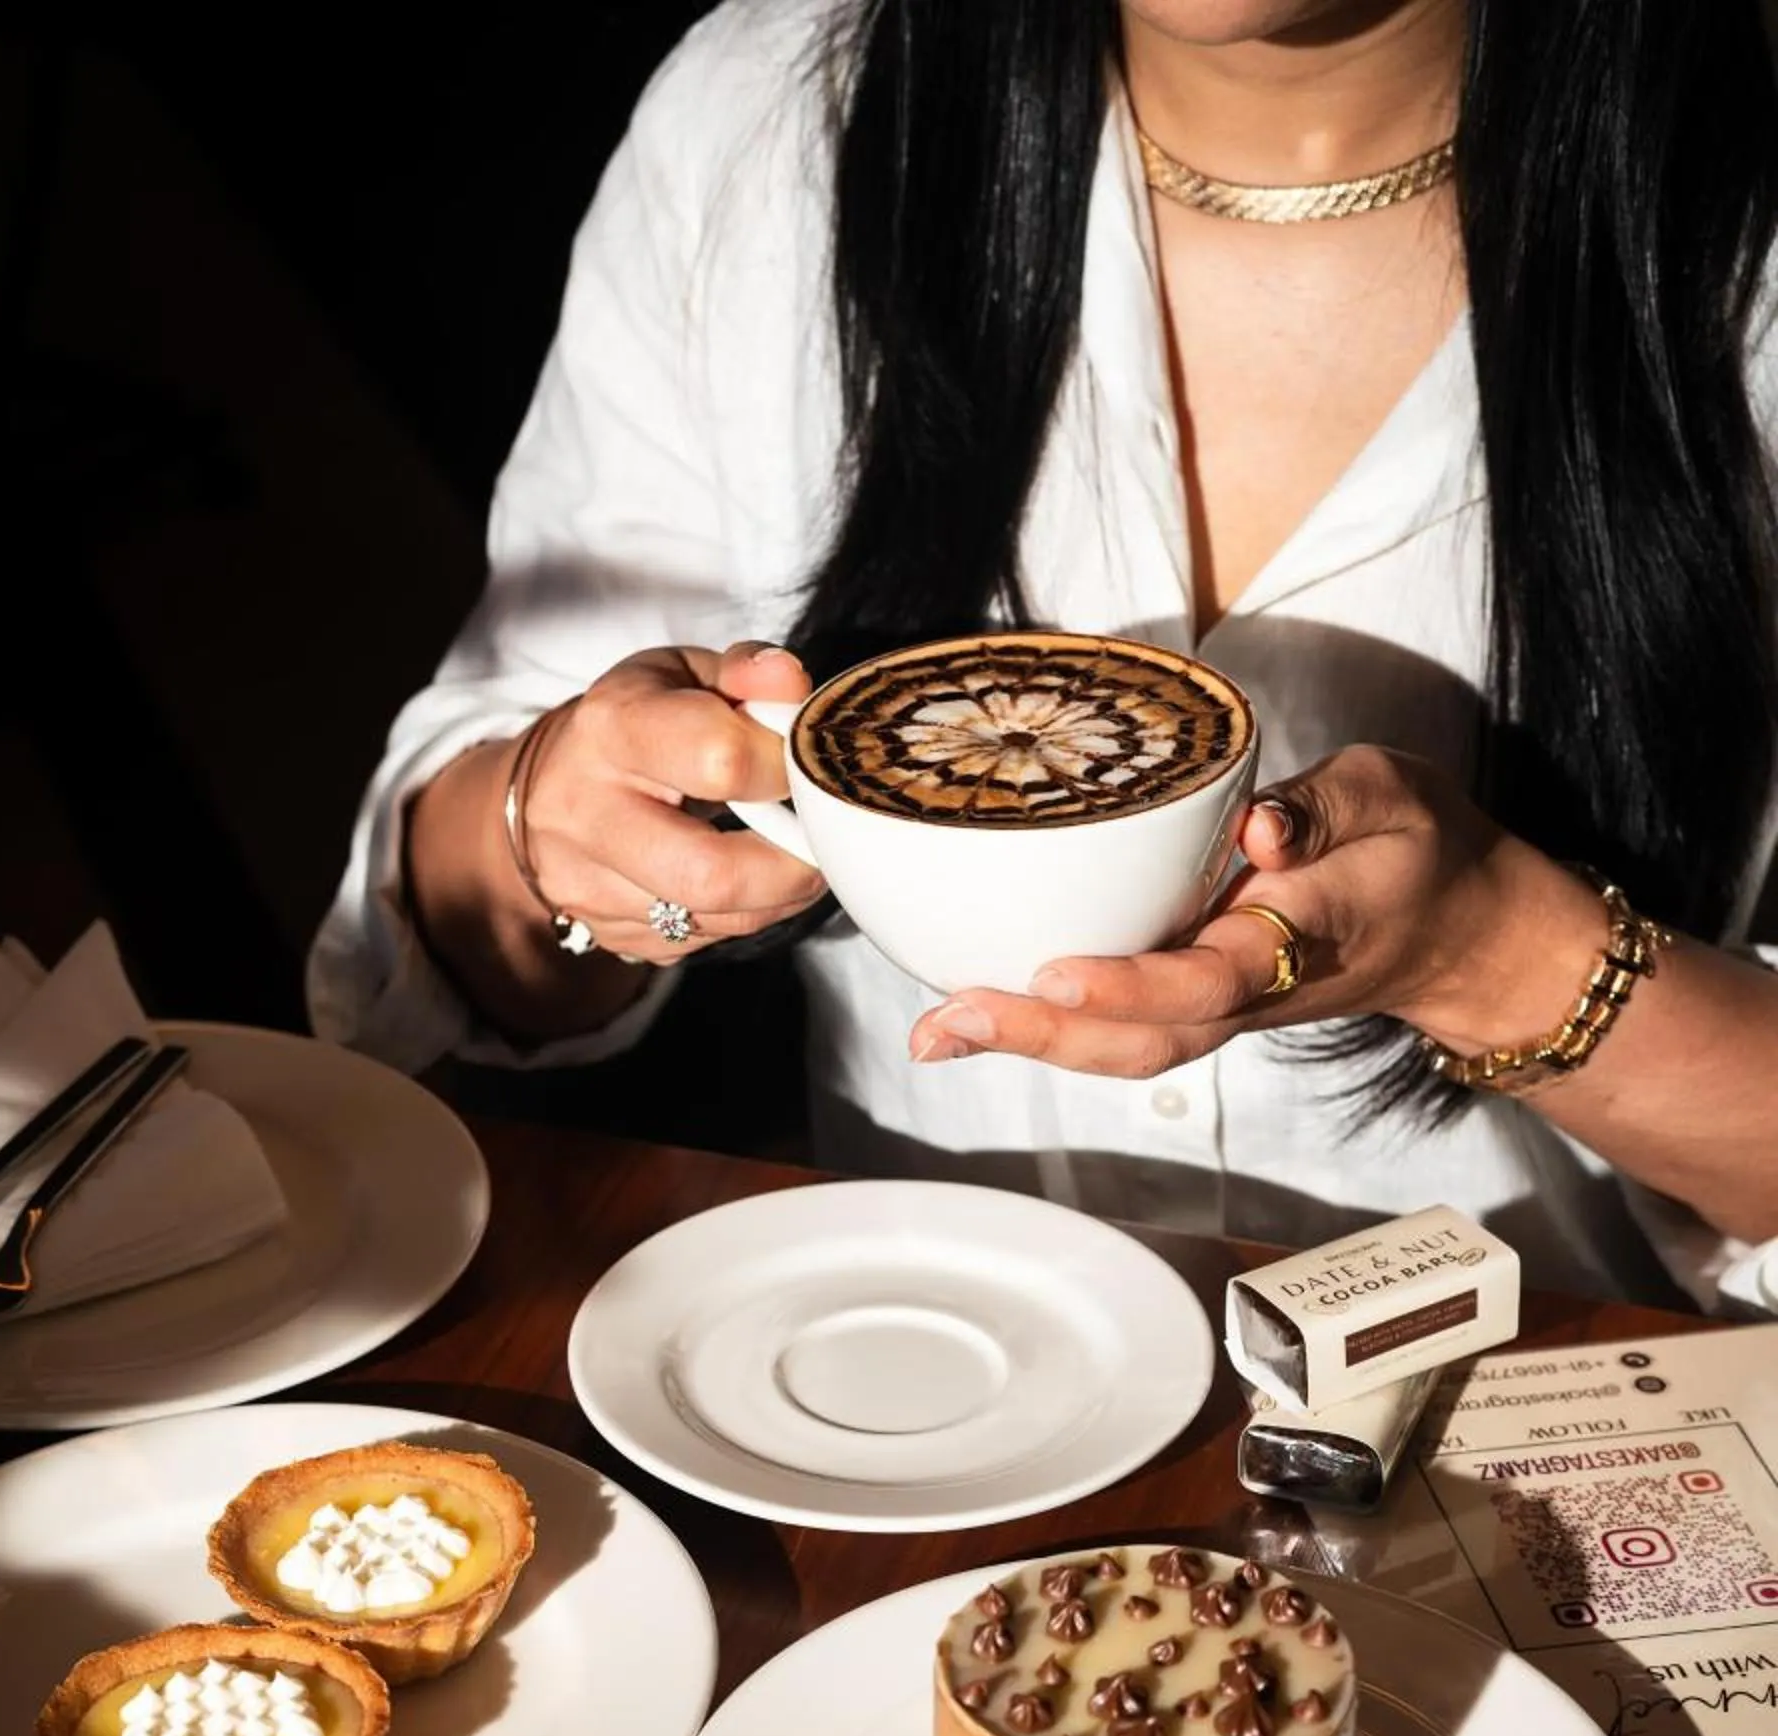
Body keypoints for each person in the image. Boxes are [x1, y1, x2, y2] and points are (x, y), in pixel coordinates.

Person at [309, 0, 1778, 1309]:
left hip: (1569, 1495)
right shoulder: (770, 120)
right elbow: (450, 950)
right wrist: (552, 833)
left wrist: (1490, 952)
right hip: (923, 1441)